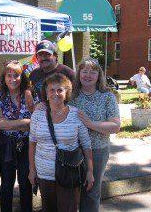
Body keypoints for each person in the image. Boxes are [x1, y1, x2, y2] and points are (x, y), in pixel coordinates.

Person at [28, 73, 94, 212]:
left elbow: (86, 145)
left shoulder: (76, 115)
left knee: (68, 209)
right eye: (51, 90)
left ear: (66, 93)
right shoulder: (38, 114)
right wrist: (32, 170)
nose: (56, 93)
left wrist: (90, 171)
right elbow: (32, 142)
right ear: (46, 93)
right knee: (48, 208)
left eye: (60, 90)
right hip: (44, 173)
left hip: (69, 173)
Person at [71, 57, 120, 212]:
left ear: (99, 75)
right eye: (84, 71)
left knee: (91, 192)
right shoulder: (71, 96)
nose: (88, 75)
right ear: (79, 74)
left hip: (98, 151)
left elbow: (115, 126)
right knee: (71, 191)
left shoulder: (107, 97)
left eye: (93, 72)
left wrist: (90, 124)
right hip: (73, 151)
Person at [0, 60, 38, 212]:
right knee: (6, 185)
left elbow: (37, 122)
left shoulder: (31, 94)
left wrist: (9, 123)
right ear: (4, 78)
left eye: (16, 75)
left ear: (22, 77)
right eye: (9, 75)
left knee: (26, 184)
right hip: (7, 145)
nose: (13, 79)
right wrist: (24, 122)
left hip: (27, 145)